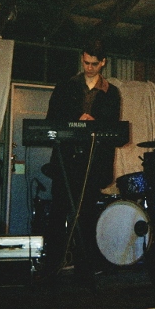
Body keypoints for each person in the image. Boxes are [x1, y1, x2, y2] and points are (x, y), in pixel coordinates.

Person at [41, 40, 122, 290]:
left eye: (94, 64)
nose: (89, 67)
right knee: (58, 215)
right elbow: (51, 119)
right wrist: (77, 120)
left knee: (86, 218)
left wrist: (94, 122)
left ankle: (84, 274)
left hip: (92, 164)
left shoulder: (112, 92)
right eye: (86, 62)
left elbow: (113, 128)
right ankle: (50, 271)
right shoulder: (65, 87)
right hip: (66, 162)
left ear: (103, 62)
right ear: (82, 59)